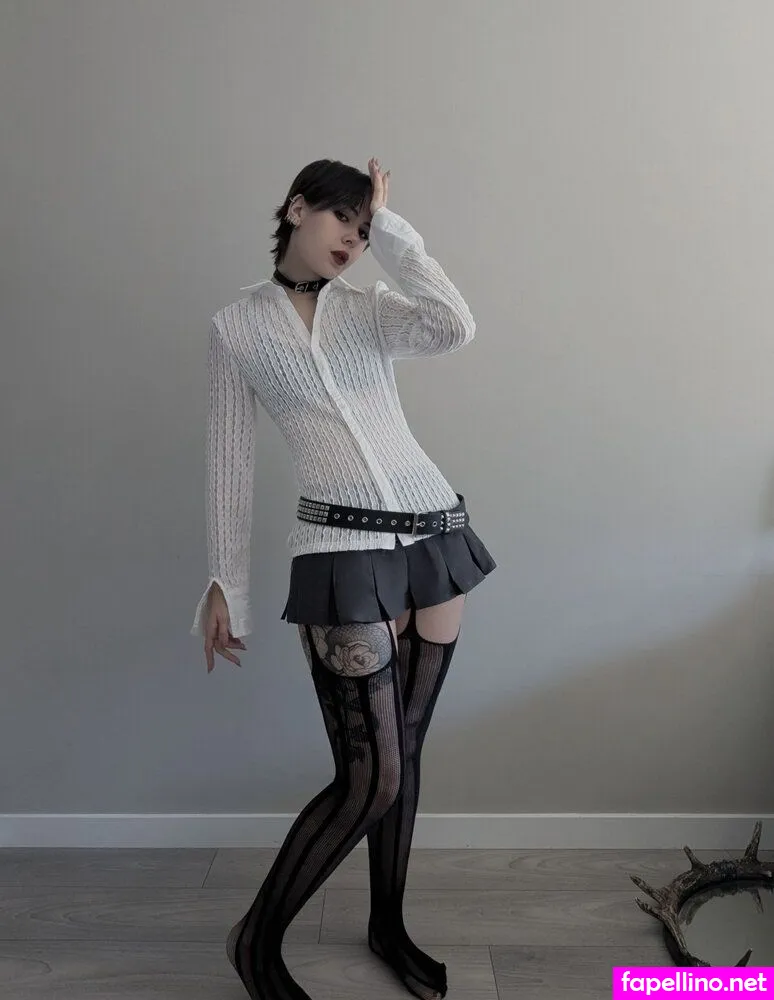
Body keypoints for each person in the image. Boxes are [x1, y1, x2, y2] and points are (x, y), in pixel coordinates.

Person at [190, 156, 497, 1000]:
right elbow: (229, 460)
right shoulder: (237, 327)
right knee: (372, 777)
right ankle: (256, 942)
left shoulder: (369, 308)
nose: (353, 242)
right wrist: (224, 583)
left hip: (436, 535)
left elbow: (454, 326)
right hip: (338, 549)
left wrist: (393, 231)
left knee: (407, 753)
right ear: (298, 207)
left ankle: (386, 925)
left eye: (364, 232)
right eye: (345, 222)